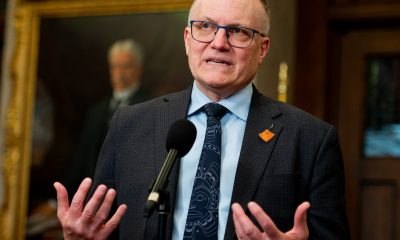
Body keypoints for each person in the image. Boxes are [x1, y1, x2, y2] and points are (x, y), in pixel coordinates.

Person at [54, 0, 351, 239]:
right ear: (187, 39)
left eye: (238, 31)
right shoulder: (129, 124)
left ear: (262, 49)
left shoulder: (311, 138)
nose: (219, 42)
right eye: (205, 26)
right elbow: (101, 228)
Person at [27, 38, 151, 237]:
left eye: (125, 67)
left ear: (138, 69)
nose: (119, 73)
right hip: (92, 209)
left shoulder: (150, 108)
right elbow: (81, 160)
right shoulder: (96, 112)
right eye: (115, 67)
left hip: (128, 208)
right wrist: (55, 200)